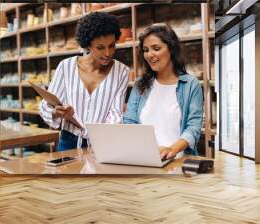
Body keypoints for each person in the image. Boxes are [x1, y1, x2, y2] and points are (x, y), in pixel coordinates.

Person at [39, 12, 129, 151]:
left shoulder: (121, 71)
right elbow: (46, 106)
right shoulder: (66, 67)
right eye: (100, 47)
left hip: (102, 143)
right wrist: (57, 112)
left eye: (111, 46)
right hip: (68, 141)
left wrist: (103, 143)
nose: (108, 53)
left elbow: (116, 114)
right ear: (87, 45)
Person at [123, 24, 203, 159]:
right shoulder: (140, 85)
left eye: (156, 48)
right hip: (144, 159)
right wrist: (150, 150)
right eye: (146, 50)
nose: (149, 55)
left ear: (171, 49)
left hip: (177, 160)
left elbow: (193, 127)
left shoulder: (190, 85)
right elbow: (129, 121)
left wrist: (171, 149)